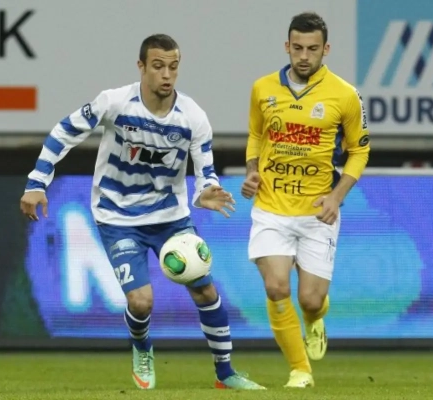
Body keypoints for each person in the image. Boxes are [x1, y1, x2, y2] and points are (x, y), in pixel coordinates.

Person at [20, 33, 265, 391]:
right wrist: (36, 182)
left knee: (205, 291)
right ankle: (142, 347)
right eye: (158, 66)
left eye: (173, 67)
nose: (166, 74)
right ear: (141, 66)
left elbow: (206, 170)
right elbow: (64, 131)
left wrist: (206, 192)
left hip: (170, 218)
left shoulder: (193, 117)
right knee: (141, 301)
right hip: (117, 217)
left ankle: (225, 372)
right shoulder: (115, 102)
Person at [241, 12, 371, 388]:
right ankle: (300, 370)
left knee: (310, 300)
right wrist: (252, 171)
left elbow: (360, 150)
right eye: (297, 47)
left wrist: (336, 197)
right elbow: (256, 135)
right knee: (276, 287)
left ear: (325, 49)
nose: (303, 56)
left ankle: (315, 318)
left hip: (318, 212)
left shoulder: (345, 95)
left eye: (312, 49)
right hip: (271, 208)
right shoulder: (262, 88)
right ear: (287, 46)